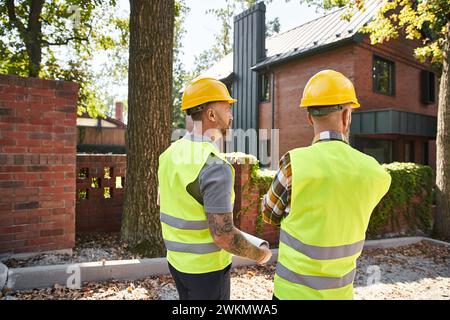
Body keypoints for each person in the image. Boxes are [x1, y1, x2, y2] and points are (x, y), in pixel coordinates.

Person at [261, 70, 392, 300]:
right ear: (347, 116)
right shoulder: (374, 172)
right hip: (340, 294)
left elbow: (268, 213)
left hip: (291, 294)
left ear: (309, 117)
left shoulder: (293, 163)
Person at [158, 76, 272, 300]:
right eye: (227, 108)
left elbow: (164, 201)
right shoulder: (215, 165)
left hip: (176, 263)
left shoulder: (170, 153)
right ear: (211, 114)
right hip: (206, 272)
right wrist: (260, 254)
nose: (231, 115)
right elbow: (223, 236)